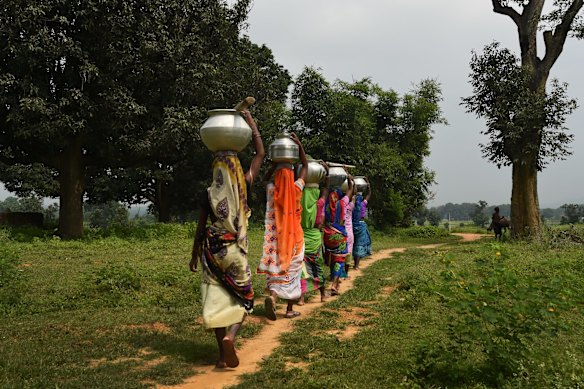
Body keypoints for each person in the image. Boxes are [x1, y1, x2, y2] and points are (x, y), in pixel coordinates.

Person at [189, 110, 264, 369]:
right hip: (233, 249)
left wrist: (193, 254)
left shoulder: (208, 193)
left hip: (211, 251)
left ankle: (222, 357)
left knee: (218, 300)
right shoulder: (243, 182)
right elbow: (260, 155)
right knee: (246, 297)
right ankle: (232, 337)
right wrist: (251, 123)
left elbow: (200, 228)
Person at [257, 133, 308, 320]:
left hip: (275, 237)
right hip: (294, 238)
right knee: (292, 273)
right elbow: (306, 167)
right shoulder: (296, 189)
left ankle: (272, 295)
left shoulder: (271, 189)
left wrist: (273, 166)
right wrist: (299, 146)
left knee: (276, 267)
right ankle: (289, 309)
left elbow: (264, 179)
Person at [298, 161, 330, 304]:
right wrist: (327, 172)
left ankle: (301, 298)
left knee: (302, 269)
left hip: (302, 239)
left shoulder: (298, 202)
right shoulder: (319, 204)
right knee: (317, 267)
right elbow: (326, 189)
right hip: (315, 239)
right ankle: (323, 294)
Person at [323, 173, 354, 296]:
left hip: (327, 234)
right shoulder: (343, 202)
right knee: (340, 260)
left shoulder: (325, 201)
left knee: (331, 256)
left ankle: (330, 277)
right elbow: (351, 190)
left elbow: (325, 188)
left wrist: (327, 177)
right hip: (340, 234)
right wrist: (349, 178)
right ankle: (335, 283)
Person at [352, 178, 372, 269]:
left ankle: (353, 263)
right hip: (361, 225)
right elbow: (369, 194)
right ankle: (356, 265)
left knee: (353, 243)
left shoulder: (351, 203)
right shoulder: (363, 203)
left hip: (352, 224)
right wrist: (368, 184)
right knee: (359, 244)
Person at [342, 177, 356, 278]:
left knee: (339, 254)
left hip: (340, 232)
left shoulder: (339, 204)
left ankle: (336, 274)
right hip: (349, 233)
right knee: (348, 254)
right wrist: (352, 181)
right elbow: (353, 193)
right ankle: (346, 273)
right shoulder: (350, 206)